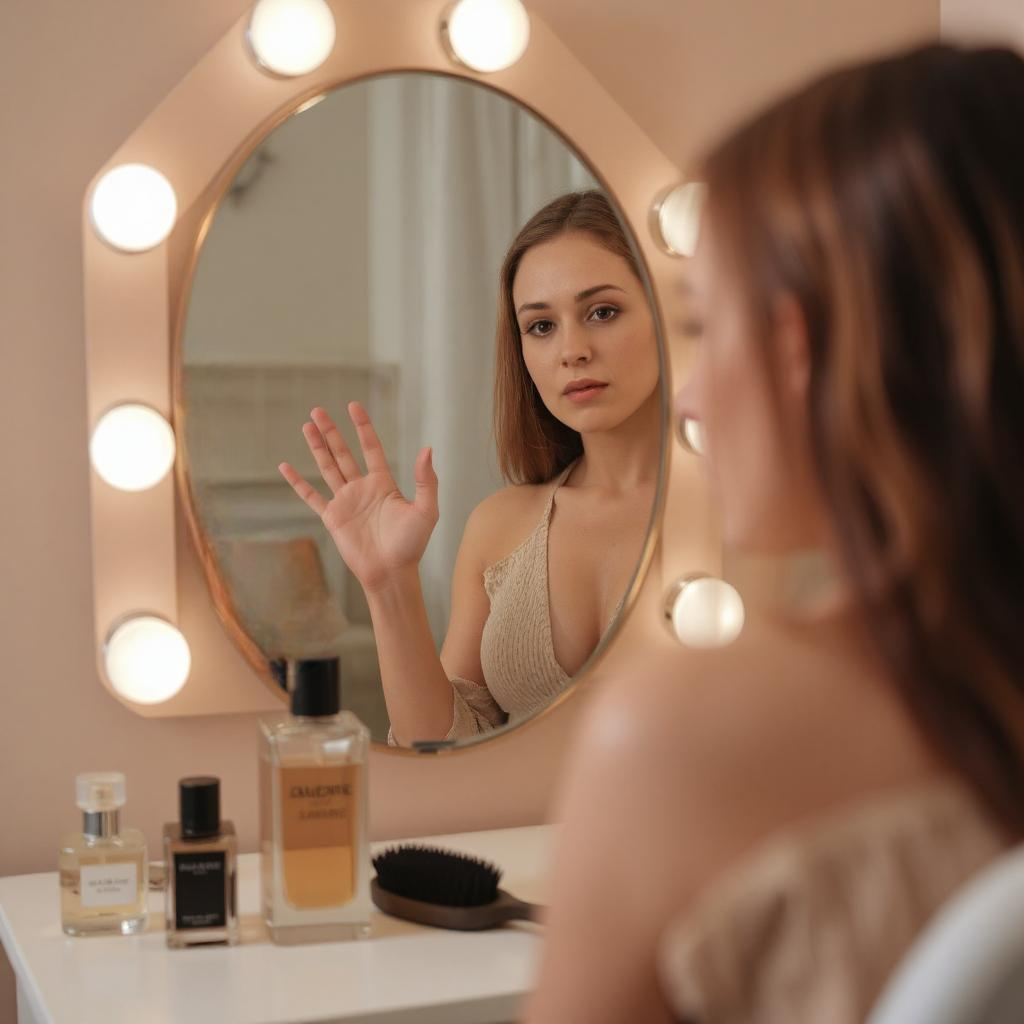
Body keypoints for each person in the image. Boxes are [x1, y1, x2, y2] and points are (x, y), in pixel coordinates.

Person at [523, 43, 1024, 1023]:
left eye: (704, 323)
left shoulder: (674, 743)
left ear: (800, 349)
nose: (693, 394)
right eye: (538, 326)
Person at [278, 190, 661, 746]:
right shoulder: (499, 525)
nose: (571, 350)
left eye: (602, 312)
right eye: (541, 326)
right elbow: (443, 747)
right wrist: (389, 583)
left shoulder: (743, 513)